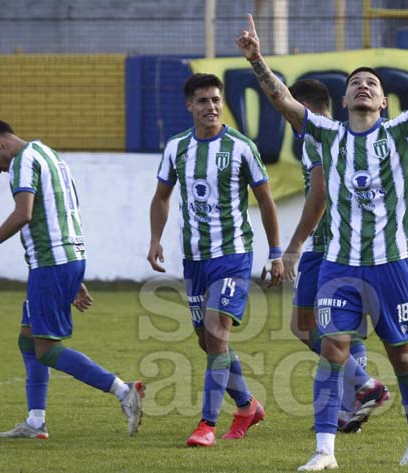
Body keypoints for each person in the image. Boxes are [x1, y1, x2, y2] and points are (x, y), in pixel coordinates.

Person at [237, 1, 408, 468]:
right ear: (343, 102)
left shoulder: (401, 133)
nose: (363, 86)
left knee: (403, 358)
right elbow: (283, 100)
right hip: (339, 264)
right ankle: (325, 451)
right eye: (355, 83)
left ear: (383, 102)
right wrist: (257, 60)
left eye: (372, 84)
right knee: (333, 350)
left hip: (391, 263)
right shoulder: (326, 135)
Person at [0, 120, 145, 440]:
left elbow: (24, 213)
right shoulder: (50, 154)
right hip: (64, 259)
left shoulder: (21, 162)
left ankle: (122, 389)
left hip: (51, 263)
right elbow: (68, 208)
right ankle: (35, 422)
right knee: (28, 340)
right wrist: (74, 273)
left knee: (45, 349)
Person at [147, 73, 283, 447]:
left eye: (216, 100)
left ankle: (206, 424)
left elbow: (266, 200)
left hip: (233, 255)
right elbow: (162, 196)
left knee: (216, 331)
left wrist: (275, 253)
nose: (212, 107)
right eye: (204, 100)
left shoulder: (241, 147)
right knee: (207, 340)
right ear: (189, 105)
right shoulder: (176, 148)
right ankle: (247, 405)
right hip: (194, 259)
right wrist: (155, 239)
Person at [285, 79, 389, 434]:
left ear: (303, 108)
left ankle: (364, 385)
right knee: (346, 330)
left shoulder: (317, 137)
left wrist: (294, 245)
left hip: (325, 246)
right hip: (356, 247)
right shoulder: (350, 133)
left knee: (303, 326)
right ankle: (352, 408)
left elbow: (319, 197)